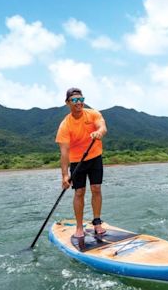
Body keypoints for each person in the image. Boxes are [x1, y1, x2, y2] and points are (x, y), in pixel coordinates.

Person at [55, 87, 107, 238]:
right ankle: (79, 227)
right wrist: (64, 175)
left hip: (95, 156)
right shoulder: (65, 125)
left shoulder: (93, 114)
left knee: (96, 188)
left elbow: (102, 126)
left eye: (81, 99)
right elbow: (64, 153)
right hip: (77, 162)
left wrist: (99, 132)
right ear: (67, 103)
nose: (79, 103)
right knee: (79, 192)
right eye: (75, 100)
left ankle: (97, 222)